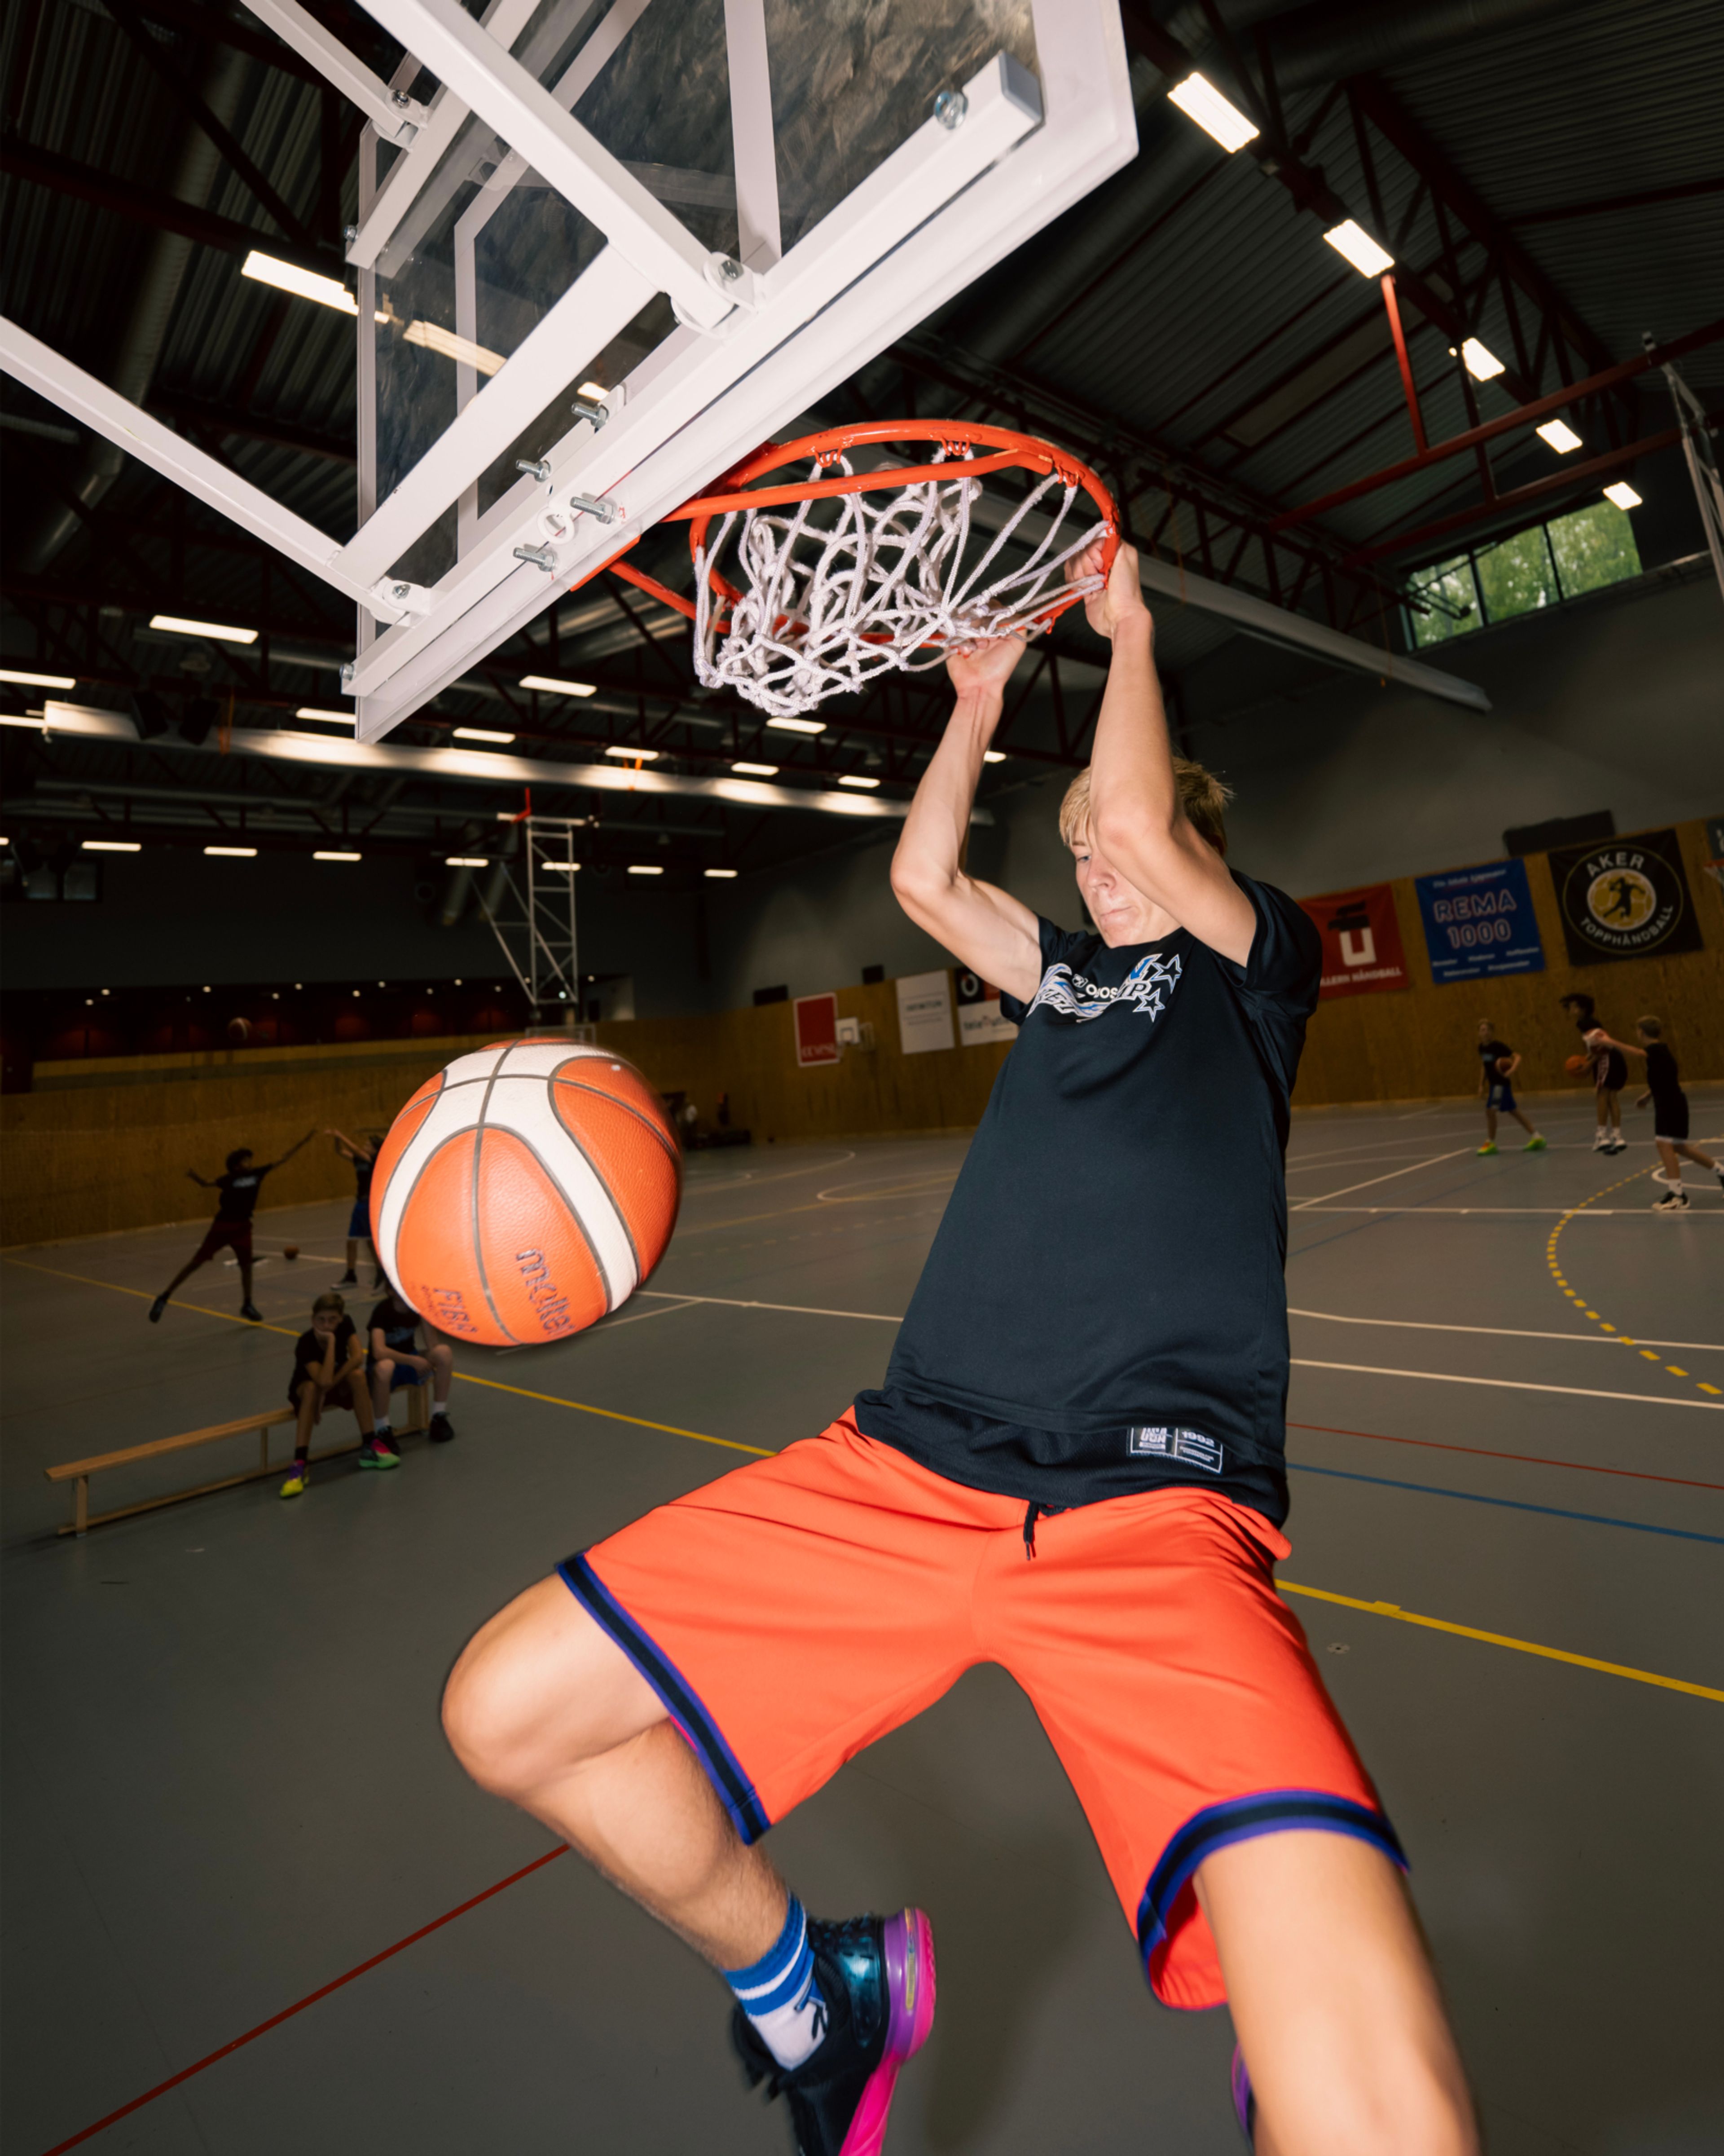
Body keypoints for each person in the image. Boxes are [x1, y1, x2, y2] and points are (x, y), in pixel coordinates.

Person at [438, 542, 1478, 2154]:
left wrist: (1129, 634)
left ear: (1206, 847)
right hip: (904, 1469)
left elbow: (1137, 816)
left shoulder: (1251, 974)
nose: (1100, 866)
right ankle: (816, 1996)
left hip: (1154, 1518)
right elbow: (931, 888)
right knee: (507, 1708)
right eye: (1073, 850)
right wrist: (977, 703)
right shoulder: (1072, 984)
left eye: (1126, 843)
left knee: (1390, 2122)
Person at [148, 1131, 315, 1324]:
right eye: (246, 1160)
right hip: (223, 1226)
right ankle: (164, 1297)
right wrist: (194, 1176)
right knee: (196, 1263)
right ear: (236, 1165)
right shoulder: (227, 1180)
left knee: (247, 1267)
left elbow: (282, 1159)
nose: (250, 1163)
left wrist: (303, 1141)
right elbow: (206, 1184)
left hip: (243, 1227)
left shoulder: (256, 1175)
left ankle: (247, 1304)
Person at [1596, 1016, 1722, 1214]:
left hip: (1670, 1105)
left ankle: (1678, 1196)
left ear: (1641, 1033)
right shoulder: (1662, 1052)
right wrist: (1648, 1096)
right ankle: (1721, 1172)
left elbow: (1638, 1053)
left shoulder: (1654, 1050)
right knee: (1679, 1147)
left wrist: (1609, 1042)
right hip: (1673, 1102)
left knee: (1663, 1144)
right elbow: (1666, 1079)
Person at [280, 1290, 394, 1497]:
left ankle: (370, 1446)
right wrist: (332, 1342)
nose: (326, 1325)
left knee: (358, 1376)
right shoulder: (306, 1343)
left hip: (334, 1384)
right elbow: (321, 1380)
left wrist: (332, 1384)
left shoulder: (346, 1325)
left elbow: (358, 1357)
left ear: (341, 1318)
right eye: (321, 1320)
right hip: (307, 1390)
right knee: (312, 1389)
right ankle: (300, 1463)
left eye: (333, 1320)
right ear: (312, 1319)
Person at [369, 1283, 456, 1445]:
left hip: (409, 1363)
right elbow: (378, 1352)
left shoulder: (418, 1308)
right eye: (399, 1288)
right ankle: (383, 1430)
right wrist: (413, 1360)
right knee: (385, 1366)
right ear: (390, 1292)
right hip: (385, 1370)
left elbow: (432, 1345)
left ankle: (438, 1416)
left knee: (444, 1353)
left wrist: (428, 1312)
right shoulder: (382, 1311)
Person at [1558, 992, 1626, 1153]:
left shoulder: (1585, 1023)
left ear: (1583, 1009)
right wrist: (1587, 1058)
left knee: (1602, 1095)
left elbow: (1601, 1048)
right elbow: (1596, 1046)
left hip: (1606, 1059)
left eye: (1574, 1006)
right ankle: (1617, 1136)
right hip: (1613, 1058)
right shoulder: (1590, 1023)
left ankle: (1602, 1136)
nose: (1571, 1010)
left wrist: (1589, 1064)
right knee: (1611, 1097)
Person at [1473, 1020, 1544, 1155]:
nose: (1485, 1032)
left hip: (1501, 1084)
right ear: (1479, 1033)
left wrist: (1512, 1070)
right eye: (1482, 1030)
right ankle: (1537, 1137)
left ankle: (1490, 1143)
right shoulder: (1481, 1048)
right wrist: (1481, 1085)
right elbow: (1485, 1066)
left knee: (1490, 1112)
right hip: (1494, 1084)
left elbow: (1517, 1056)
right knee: (1513, 1112)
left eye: (1488, 1030)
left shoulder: (1498, 1046)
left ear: (1492, 1032)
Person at [326, 1127, 383, 1287]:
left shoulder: (373, 1159)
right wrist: (337, 1140)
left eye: (368, 1144)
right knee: (357, 1241)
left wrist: (340, 1134)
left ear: (375, 1149)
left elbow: (357, 1151)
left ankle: (380, 1274)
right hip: (360, 1203)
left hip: (368, 1204)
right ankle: (354, 1275)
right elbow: (341, 1152)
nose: (365, 1146)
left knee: (366, 1242)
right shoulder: (359, 1159)